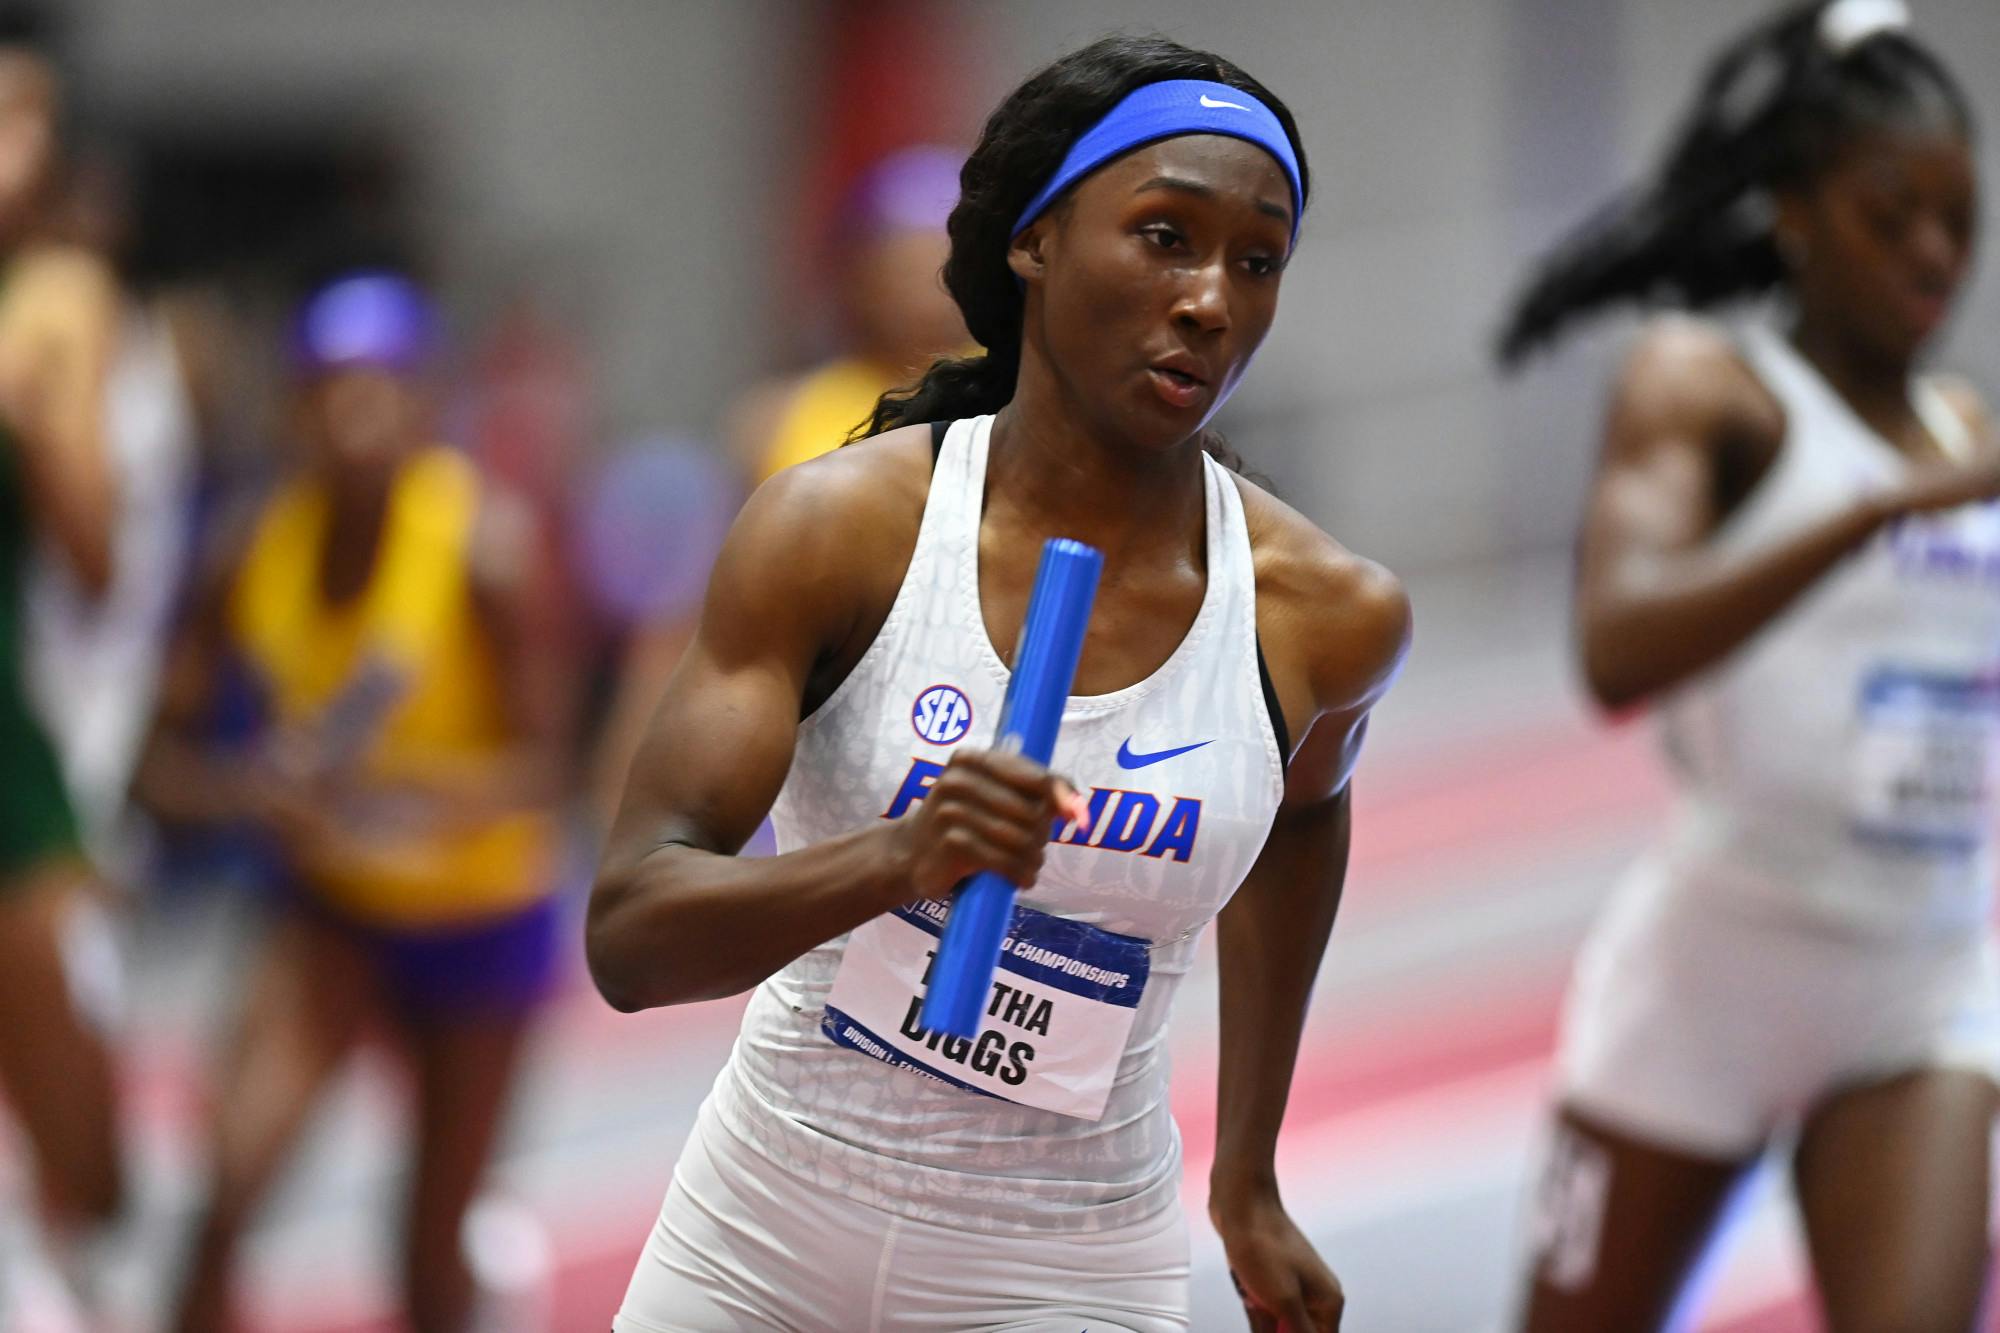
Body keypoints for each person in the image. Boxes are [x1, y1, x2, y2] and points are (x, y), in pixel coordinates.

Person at [592, 34, 1410, 1333]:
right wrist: (895, 859)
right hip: (765, 1228)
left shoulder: (1327, 613)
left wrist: (1248, 1168)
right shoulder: (837, 533)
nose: (1211, 297)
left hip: (1065, 1267)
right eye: (1162, 236)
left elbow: (1304, 813)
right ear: (1035, 242)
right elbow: (631, 932)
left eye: (1256, 262)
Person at [1496, 3, 1995, 1329]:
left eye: (1961, 214)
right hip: (1710, 980)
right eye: (1894, 212)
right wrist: (1881, 506)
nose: (1936, 251)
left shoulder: (1967, 429)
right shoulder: (1711, 386)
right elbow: (1616, 646)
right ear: (1794, 212)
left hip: (1922, 979)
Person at [141, 271, 574, 1333]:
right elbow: (153, 759)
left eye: (382, 390)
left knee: (428, 1245)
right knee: (226, 1186)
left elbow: (551, 769)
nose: (354, 417)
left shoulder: (485, 547)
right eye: (328, 391)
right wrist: (250, 788)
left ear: (428, 405)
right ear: (292, 407)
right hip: (333, 910)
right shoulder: (251, 549)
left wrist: (408, 795)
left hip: (479, 918)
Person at [0, 32, 127, 1300]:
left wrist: (36, 416)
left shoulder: (53, 304)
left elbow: (100, 559)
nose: (15, 153)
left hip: (15, 748)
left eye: (31, 124)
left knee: (84, 1160)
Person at [729, 142, 969, 486]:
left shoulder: (1012, 402)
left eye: (938, 268)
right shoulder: (780, 418)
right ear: (856, 274)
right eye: (903, 269)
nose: (922, 295)